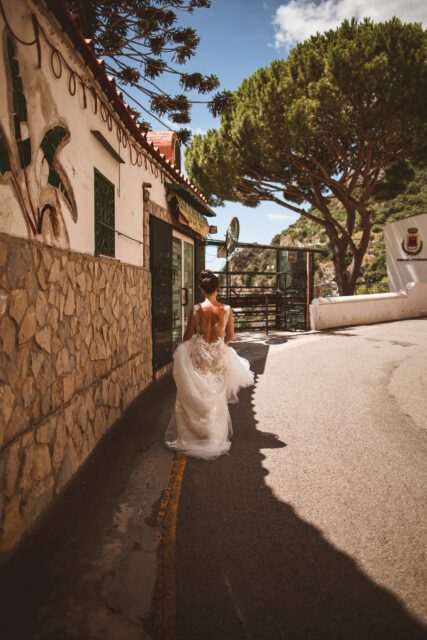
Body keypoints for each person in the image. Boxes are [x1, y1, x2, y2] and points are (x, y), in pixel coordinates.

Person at [165, 269, 254, 460]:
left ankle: (197, 433)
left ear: (201, 290)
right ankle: (214, 435)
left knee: (199, 391)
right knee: (217, 393)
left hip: (200, 354)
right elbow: (230, 336)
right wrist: (218, 346)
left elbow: (187, 336)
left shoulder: (196, 310)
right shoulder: (227, 310)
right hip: (219, 354)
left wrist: (199, 344)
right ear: (218, 289)